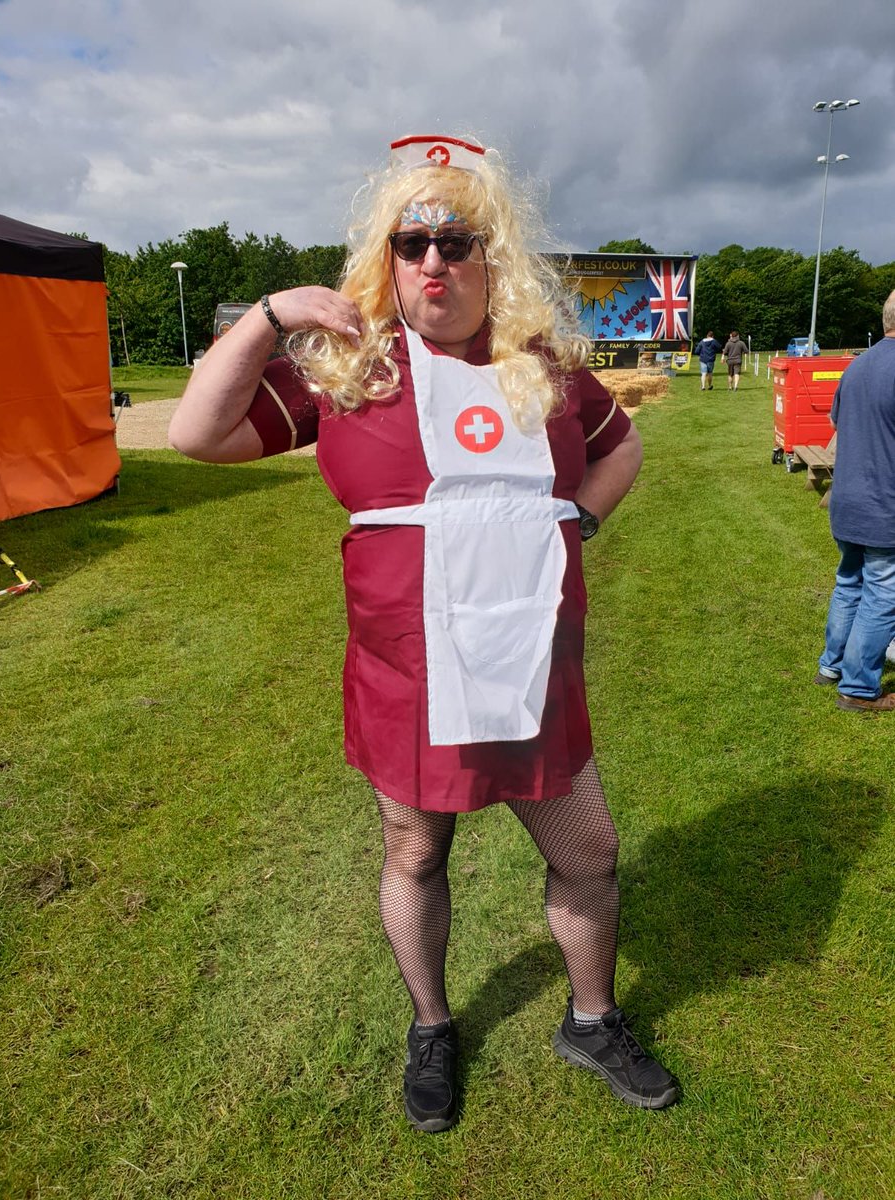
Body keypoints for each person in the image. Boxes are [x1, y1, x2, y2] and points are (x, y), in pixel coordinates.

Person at [169, 133, 677, 1130]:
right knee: (414, 852)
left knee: (590, 852)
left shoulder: (544, 368)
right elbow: (197, 434)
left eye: (457, 241)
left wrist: (578, 521)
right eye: (412, 243)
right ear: (389, 258)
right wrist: (270, 317)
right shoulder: (353, 370)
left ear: (493, 255)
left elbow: (621, 449)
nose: (434, 261)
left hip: (533, 666)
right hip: (409, 673)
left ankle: (592, 1019)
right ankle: (433, 1026)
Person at [814, 289, 895, 711]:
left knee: (850, 582)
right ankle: (859, 687)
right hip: (884, 505)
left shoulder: (856, 366)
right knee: (882, 592)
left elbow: (836, 423)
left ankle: (831, 666)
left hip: (847, 500)